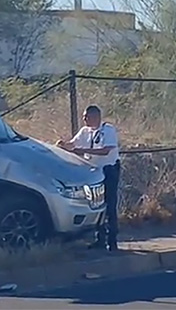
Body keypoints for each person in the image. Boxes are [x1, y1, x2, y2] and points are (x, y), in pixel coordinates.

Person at [57, 105, 120, 251]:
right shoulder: (85, 131)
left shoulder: (107, 130)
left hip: (108, 170)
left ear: (96, 116)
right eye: (84, 117)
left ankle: (112, 240)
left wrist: (82, 150)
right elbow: (73, 144)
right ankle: (99, 239)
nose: (84, 119)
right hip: (93, 172)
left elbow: (105, 151)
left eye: (87, 117)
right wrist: (63, 145)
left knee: (109, 205)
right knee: (96, 205)